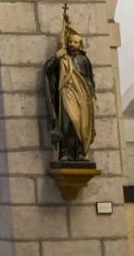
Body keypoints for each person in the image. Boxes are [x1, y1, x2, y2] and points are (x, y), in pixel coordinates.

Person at [44, 18, 96, 162]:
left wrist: (91, 94)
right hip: (67, 94)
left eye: (76, 42)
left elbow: (89, 79)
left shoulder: (84, 60)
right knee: (67, 123)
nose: (73, 44)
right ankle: (65, 152)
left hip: (82, 97)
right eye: (71, 41)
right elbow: (47, 69)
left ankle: (79, 153)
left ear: (80, 45)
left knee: (81, 124)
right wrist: (56, 57)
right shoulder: (63, 58)